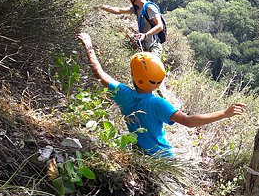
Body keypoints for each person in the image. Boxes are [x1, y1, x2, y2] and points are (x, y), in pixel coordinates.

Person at [76, 32, 246, 157]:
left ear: (135, 77)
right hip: (162, 159)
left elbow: (99, 73)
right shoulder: (157, 104)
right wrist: (224, 113)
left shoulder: (123, 95)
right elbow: (188, 121)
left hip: (139, 156)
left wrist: (88, 45)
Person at [95, 0, 164, 57]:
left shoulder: (150, 8)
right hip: (144, 47)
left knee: (152, 66)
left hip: (153, 46)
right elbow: (119, 10)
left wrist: (145, 35)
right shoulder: (136, 8)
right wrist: (101, 7)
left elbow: (159, 26)